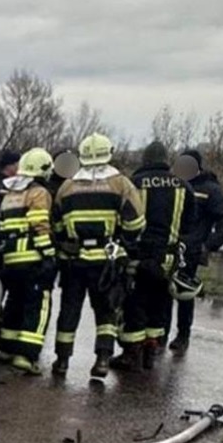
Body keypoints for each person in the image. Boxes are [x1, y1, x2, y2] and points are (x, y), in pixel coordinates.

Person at [50, 133, 145, 378]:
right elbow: (135, 223)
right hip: (106, 260)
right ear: (108, 153)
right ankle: (102, 360)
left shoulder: (67, 186)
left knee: (69, 309)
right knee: (105, 311)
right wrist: (123, 240)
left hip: (74, 260)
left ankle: (61, 361)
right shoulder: (121, 184)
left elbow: (57, 225)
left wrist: (67, 243)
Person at [110, 140, 195, 372]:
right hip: (167, 257)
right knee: (160, 302)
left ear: (145, 160)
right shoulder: (184, 186)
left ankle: (131, 353)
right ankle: (151, 349)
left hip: (139, 255)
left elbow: (125, 220)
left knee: (134, 303)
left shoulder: (134, 184)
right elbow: (188, 225)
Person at [166, 149, 223, 353]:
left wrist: (209, 245)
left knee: (184, 295)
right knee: (162, 293)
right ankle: (159, 334)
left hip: (191, 250)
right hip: (168, 246)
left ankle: (182, 335)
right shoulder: (173, 184)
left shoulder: (209, 190)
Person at [0, 147, 56, 375]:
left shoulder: (10, 193)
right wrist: (49, 255)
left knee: (14, 302)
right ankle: (26, 356)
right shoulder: (38, 192)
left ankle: (7, 348)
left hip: (11, 260)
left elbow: (3, 225)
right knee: (37, 306)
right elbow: (40, 225)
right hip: (32, 259)